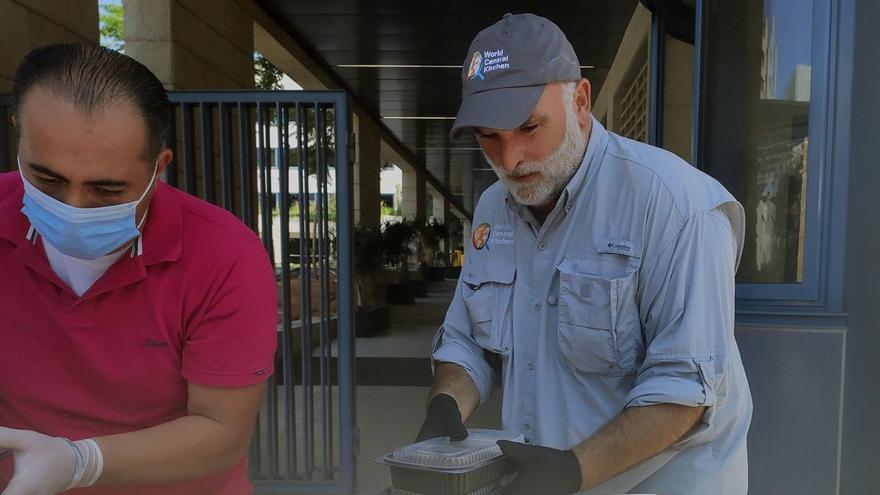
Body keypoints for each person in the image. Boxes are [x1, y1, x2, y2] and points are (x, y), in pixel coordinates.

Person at [417, 13, 752, 495]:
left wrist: (570, 472)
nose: (509, 160)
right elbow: (467, 340)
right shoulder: (495, 206)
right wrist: (445, 404)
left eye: (529, 127)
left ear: (580, 101)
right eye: (488, 136)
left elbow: (683, 392)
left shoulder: (678, 207)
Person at [0, 43, 277, 494]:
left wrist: (80, 461)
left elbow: (222, 428)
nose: (72, 206)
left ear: (158, 167)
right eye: (46, 178)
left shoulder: (225, 257)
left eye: (106, 188)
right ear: (19, 138)